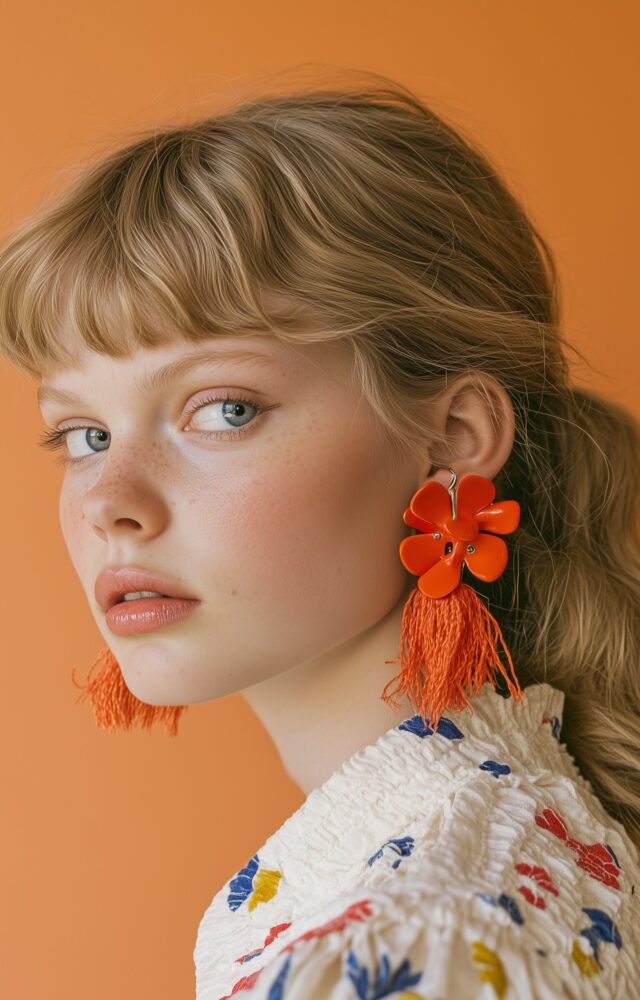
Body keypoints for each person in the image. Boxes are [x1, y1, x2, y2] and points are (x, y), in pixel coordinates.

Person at [0, 72, 638, 999]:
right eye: (84, 435)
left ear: (452, 439)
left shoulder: (405, 942)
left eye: (224, 409)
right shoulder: (517, 840)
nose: (109, 502)